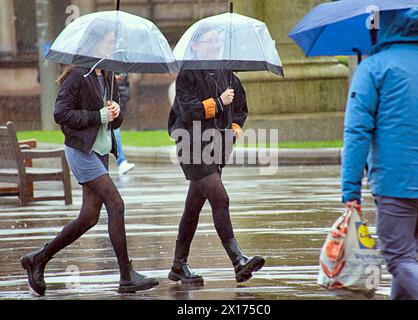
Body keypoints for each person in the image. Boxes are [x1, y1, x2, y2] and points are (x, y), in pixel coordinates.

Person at [19, 24, 158, 295]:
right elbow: (61, 113)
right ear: (95, 46)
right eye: (108, 42)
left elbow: (115, 120)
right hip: (82, 152)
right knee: (116, 204)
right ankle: (126, 275)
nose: (112, 48)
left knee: (88, 217)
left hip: (101, 151)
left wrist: (116, 112)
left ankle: (38, 259)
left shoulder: (107, 75)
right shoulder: (79, 75)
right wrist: (99, 116)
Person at [342, 8, 418, 300]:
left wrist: (350, 188)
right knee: (407, 257)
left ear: (384, 27)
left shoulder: (374, 68)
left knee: (398, 258)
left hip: (395, 182)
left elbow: (356, 132)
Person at [167, 26, 265, 285]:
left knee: (193, 208)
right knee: (220, 198)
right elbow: (188, 111)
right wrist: (219, 103)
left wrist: (234, 129)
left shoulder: (226, 73)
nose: (214, 46)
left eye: (217, 42)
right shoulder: (187, 74)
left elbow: (242, 107)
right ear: (197, 45)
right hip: (190, 145)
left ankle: (178, 265)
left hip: (216, 147)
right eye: (209, 42)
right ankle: (237, 260)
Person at [114, 72, 136, 176]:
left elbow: (123, 79)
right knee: (114, 130)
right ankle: (121, 161)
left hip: (119, 96)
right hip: (116, 96)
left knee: (114, 130)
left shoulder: (119, 62)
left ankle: (121, 161)